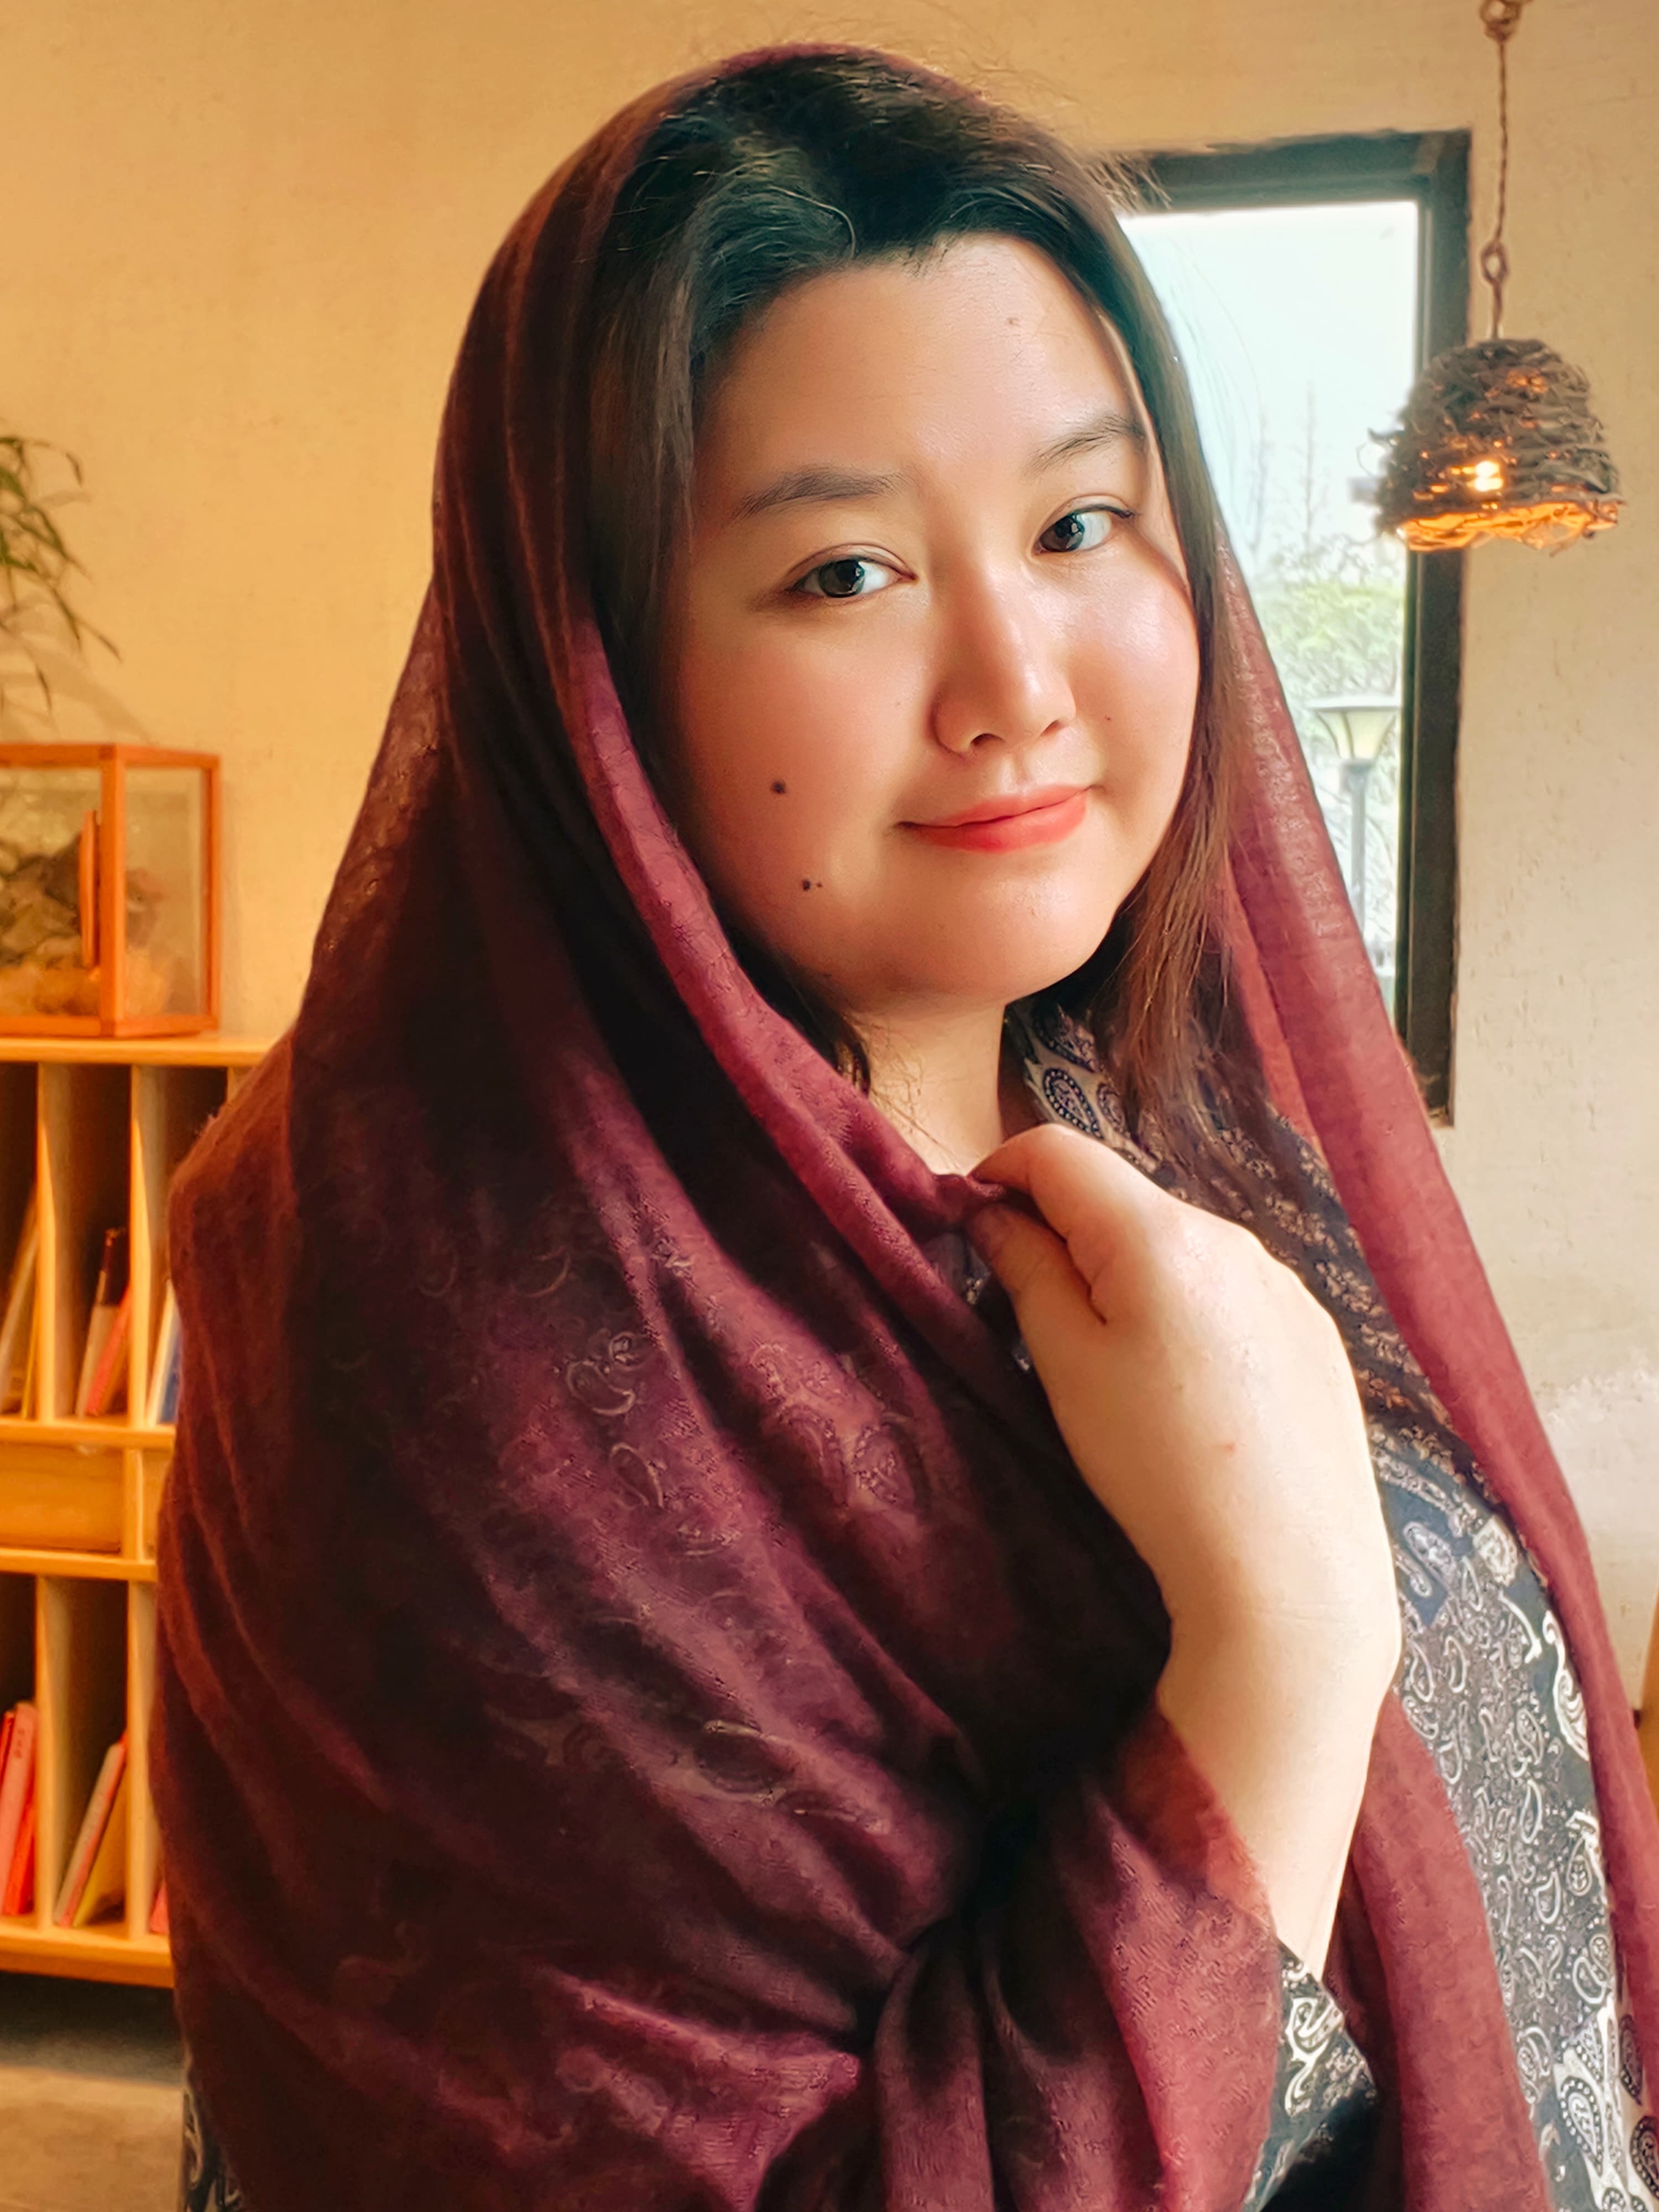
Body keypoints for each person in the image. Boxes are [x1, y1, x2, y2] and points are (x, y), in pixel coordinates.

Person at [153, 45, 1659, 2212]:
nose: (1020, 682)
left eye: (1079, 527)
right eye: (847, 573)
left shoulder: (1175, 1124)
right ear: (597, 671)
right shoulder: (445, 1370)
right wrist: (1285, 1641)